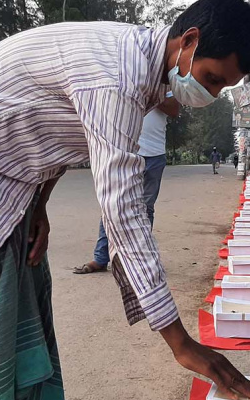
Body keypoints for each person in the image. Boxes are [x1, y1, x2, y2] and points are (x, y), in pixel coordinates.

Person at [0, 0, 250, 400]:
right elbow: (124, 215)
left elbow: (56, 125)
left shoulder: (146, 68)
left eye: (222, 87)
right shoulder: (117, 77)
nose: (211, 93)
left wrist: (39, 202)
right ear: (188, 41)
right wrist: (182, 343)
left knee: (24, 300)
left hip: (14, 171)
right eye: (211, 79)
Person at [73, 95, 179, 275]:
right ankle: (101, 258)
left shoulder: (165, 83)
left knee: (145, 209)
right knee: (112, 204)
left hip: (154, 154)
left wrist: (151, 93)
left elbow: (174, 110)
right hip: (123, 151)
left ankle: (137, 261)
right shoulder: (123, 71)